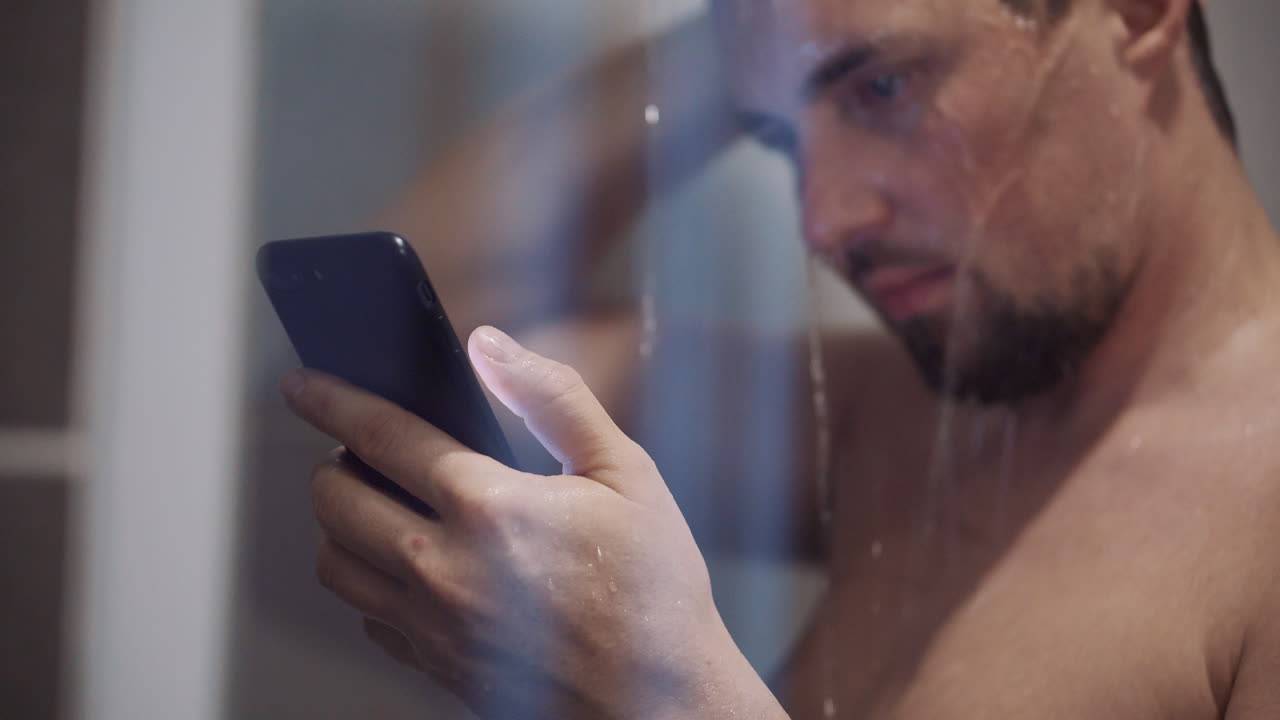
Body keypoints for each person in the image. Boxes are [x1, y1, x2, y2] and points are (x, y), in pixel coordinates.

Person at [278, 0, 1280, 716]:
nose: (822, 220)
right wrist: (749, 35)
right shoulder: (900, 421)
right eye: (779, 136)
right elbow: (458, 325)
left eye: (883, 84)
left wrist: (669, 700)